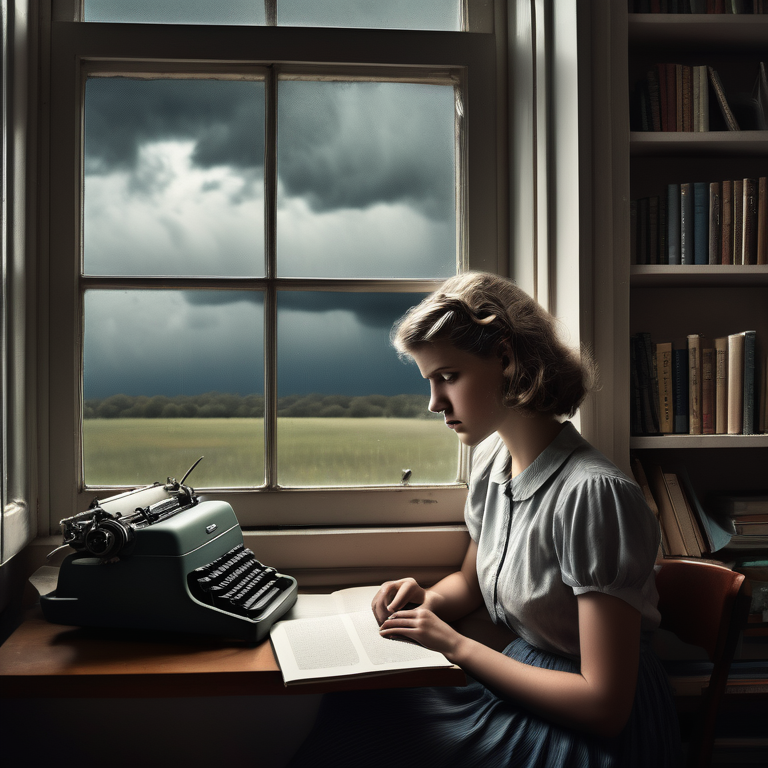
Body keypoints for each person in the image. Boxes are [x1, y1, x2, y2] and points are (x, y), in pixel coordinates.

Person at [289, 272, 680, 768]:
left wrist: (454, 644)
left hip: (586, 727)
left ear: (506, 358)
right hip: (521, 676)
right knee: (359, 703)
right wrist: (424, 602)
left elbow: (604, 706)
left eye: (448, 377)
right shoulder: (492, 462)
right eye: (429, 380)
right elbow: (471, 581)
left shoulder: (592, 496)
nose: (434, 403)